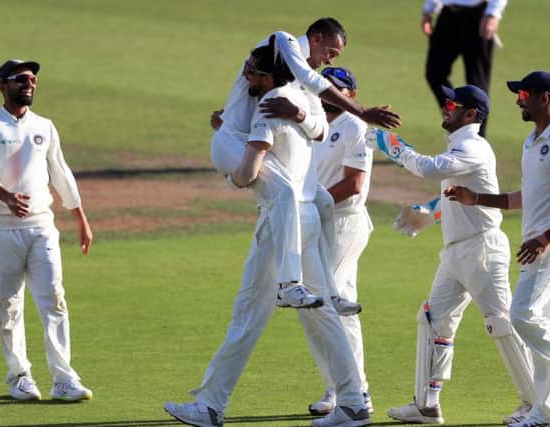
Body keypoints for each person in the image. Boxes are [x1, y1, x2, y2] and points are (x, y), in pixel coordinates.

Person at [164, 44, 371, 427]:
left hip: (281, 222)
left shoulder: (270, 104)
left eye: (253, 74)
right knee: (324, 313)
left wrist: (231, 166)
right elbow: (320, 128)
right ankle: (354, 403)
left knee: (247, 314)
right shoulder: (302, 97)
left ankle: (210, 406)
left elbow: (247, 172)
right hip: (307, 215)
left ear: (269, 77)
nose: (247, 79)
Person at [366, 85, 535, 424]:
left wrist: (391, 144)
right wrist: (427, 212)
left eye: (451, 104)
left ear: (470, 114)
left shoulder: (473, 147)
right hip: (457, 252)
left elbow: (428, 169)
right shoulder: (459, 146)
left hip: (482, 249)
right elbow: (456, 195)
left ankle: (537, 403)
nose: (444, 108)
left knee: (501, 324)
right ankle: (426, 405)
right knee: (432, 319)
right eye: (445, 102)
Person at [211, 18, 400, 314]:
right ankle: (287, 286)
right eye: (331, 51)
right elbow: (310, 81)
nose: (329, 59)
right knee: (285, 193)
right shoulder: (283, 41)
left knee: (322, 200)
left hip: (249, 141)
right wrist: (362, 112)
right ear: (316, 38)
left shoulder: (299, 78)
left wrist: (299, 114)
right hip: (232, 141)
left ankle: (331, 290)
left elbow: (321, 129)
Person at [445, 71, 550, 427]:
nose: (518, 100)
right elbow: (524, 197)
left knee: (522, 316)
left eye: (524, 94)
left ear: (544, 98)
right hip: (538, 244)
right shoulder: (533, 141)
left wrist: (546, 237)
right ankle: (546, 414)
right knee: (548, 328)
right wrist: (477, 199)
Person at [0, 59, 93, 402]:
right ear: (2, 85)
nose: (30, 83)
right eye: (21, 78)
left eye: (33, 78)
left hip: (42, 224)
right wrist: (5, 196)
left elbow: (61, 172)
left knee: (54, 299)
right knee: (8, 304)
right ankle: (19, 376)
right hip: (1, 227)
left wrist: (80, 216)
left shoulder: (45, 126)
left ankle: (64, 380)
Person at [308, 66, 374, 416]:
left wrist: (313, 204)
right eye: (323, 88)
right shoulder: (316, 125)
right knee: (338, 306)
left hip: (346, 224)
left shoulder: (355, 126)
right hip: (319, 223)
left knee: (323, 303)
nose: (325, 95)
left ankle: (354, 393)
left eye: (333, 90)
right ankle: (345, 388)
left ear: (348, 93)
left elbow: (354, 184)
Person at [422, 0, 507, 136]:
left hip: (479, 15)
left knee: (477, 84)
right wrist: (429, 9)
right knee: (434, 73)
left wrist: (493, 14)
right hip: (448, 13)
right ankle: (456, 120)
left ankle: (477, 143)